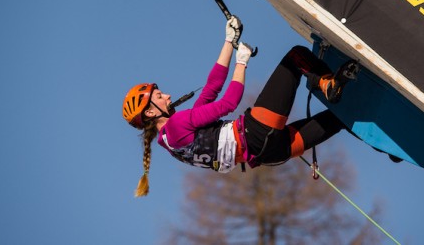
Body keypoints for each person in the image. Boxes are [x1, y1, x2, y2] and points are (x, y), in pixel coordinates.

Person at [122, 17, 358, 197]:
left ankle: (391, 146)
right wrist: (241, 62)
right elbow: (228, 103)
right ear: (151, 112)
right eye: (160, 96)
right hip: (256, 133)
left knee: (340, 119)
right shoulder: (177, 124)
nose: (168, 95)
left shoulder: (172, 143)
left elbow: (211, 88)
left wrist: (229, 41)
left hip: (269, 154)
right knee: (296, 57)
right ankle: (328, 84)